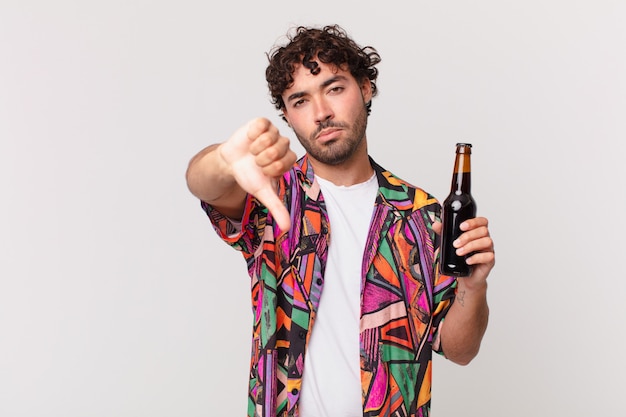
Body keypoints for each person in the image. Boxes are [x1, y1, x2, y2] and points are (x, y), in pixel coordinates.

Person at [186, 24, 495, 417]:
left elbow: (460, 349)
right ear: (286, 115)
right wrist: (224, 159)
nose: (321, 113)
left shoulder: (421, 214)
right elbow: (204, 184)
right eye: (300, 100)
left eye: (334, 88)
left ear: (365, 88)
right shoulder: (274, 197)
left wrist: (473, 286)